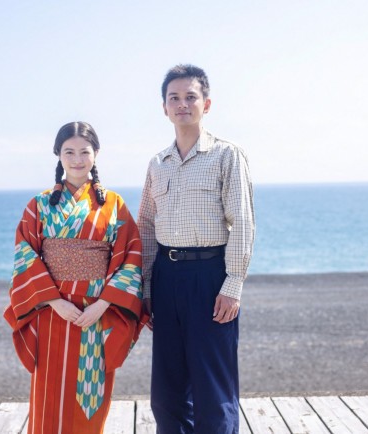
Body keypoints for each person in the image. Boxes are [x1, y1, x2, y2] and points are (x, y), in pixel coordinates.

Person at [4, 121, 147, 434]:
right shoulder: (38, 205)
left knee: (90, 400)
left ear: (96, 154)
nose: (78, 158)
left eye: (85, 151)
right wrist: (54, 301)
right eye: (69, 151)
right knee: (48, 398)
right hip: (51, 315)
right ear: (58, 155)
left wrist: (104, 304)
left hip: (96, 314)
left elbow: (131, 257)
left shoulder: (114, 205)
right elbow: (24, 256)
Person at [138, 65, 255, 433]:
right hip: (166, 278)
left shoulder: (227, 155)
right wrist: (145, 288)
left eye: (190, 97)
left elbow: (243, 222)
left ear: (207, 103)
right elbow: (145, 226)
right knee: (166, 395)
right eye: (174, 98)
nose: (182, 104)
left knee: (212, 391)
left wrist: (233, 284)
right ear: (164, 108)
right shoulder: (158, 163)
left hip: (210, 276)